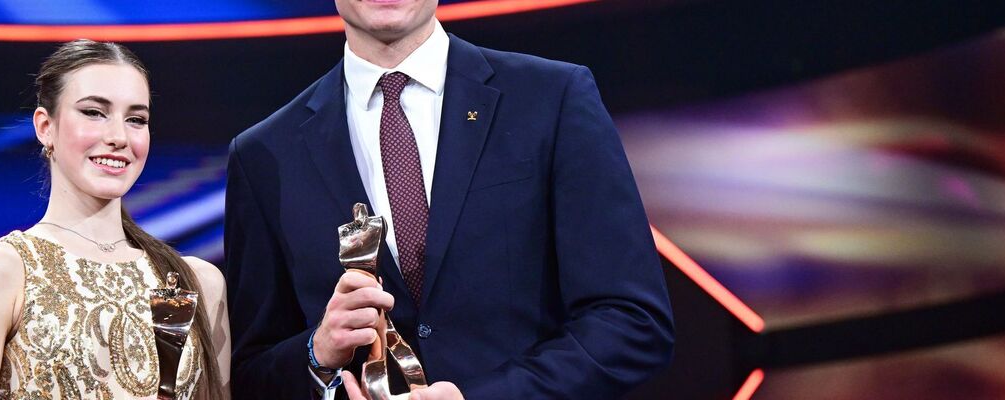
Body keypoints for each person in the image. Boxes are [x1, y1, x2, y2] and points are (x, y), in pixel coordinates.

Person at [224, 1, 674, 399]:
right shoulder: (265, 153)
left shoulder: (551, 98)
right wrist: (317, 356)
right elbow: (248, 373)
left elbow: (632, 321)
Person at [0, 40, 229, 399]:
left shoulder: (198, 283)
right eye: (93, 113)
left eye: (136, 119)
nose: (118, 137)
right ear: (45, 127)